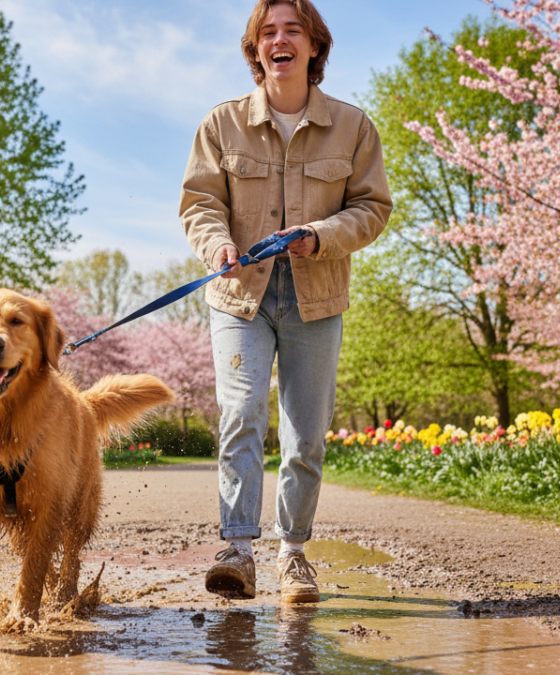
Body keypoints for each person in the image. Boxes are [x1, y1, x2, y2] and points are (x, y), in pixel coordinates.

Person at [179, 0, 392, 603]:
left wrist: (320, 236)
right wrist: (218, 243)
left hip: (316, 298)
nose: (279, 40)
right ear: (256, 49)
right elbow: (199, 203)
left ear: (314, 46)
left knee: (305, 435)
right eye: (267, 32)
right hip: (237, 296)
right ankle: (237, 551)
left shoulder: (353, 127)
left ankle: (293, 554)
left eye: (291, 30)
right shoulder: (221, 124)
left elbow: (373, 208)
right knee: (241, 414)